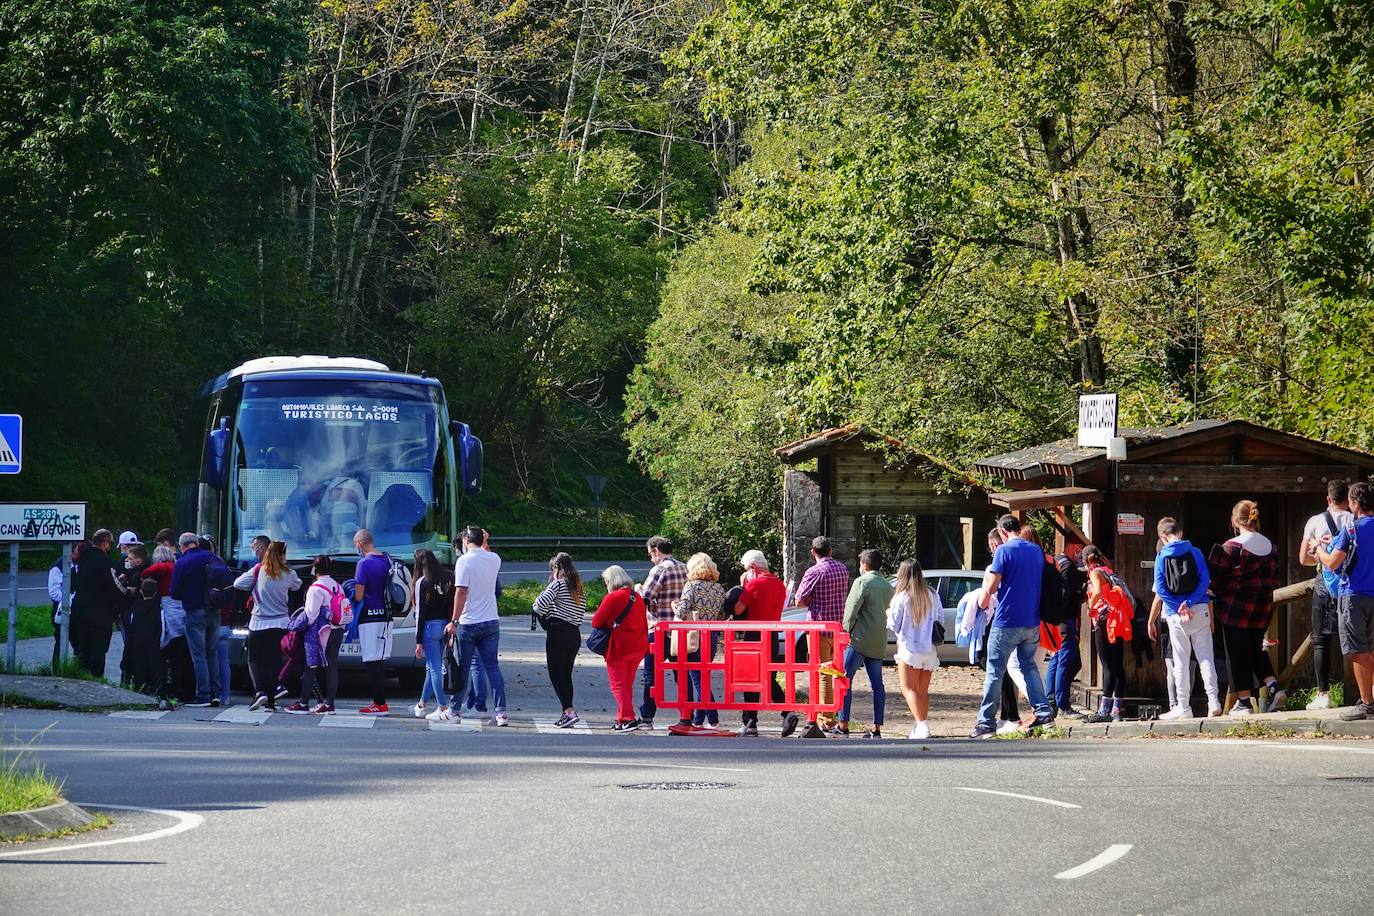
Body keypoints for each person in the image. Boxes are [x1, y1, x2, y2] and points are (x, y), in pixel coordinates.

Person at [970, 515, 1055, 738]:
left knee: (994, 671)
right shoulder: (1036, 551)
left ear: (1002, 532)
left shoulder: (1003, 551)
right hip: (1031, 620)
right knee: (1029, 667)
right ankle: (1044, 713)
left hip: (1006, 620)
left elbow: (992, 585)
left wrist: (982, 599)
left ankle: (986, 723)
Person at [1210, 500, 1283, 715]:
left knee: (1237, 655)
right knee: (1255, 649)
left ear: (1235, 521)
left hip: (1236, 609)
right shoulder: (1271, 546)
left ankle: (1243, 702)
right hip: (1263, 609)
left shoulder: (1231, 547)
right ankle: (1274, 687)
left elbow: (1215, 579)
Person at [1149, 518, 1222, 720]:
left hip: (1175, 615)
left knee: (1180, 661)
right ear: (1180, 533)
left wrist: (1178, 607)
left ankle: (1183, 706)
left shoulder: (1161, 556)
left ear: (1162, 536)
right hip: (1199, 609)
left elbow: (1161, 588)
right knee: (1206, 657)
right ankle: (1213, 701)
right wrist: (1189, 603)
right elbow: (1204, 581)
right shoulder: (1196, 552)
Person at [1317, 481, 1374, 720]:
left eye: (1350, 502)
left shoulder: (1351, 530)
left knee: (1359, 651)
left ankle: (1367, 703)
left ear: (1356, 503)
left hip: (1354, 595)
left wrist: (1318, 549)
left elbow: (1332, 563)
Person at [732, 549, 798, 738]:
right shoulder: (779, 584)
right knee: (769, 678)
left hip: (754, 636)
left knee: (750, 678)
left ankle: (750, 721)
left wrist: (742, 587)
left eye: (746, 569)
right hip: (773, 636)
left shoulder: (754, 584)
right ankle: (787, 712)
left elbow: (738, 609)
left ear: (753, 567)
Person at [1299, 479, 1353, 709]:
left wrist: (1320, 553)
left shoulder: (1315, 521)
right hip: (1352, 582)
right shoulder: (1354, 519)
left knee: (1321, 639)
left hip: (1325, 582)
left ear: (1328, 499)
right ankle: (1357, 693)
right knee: (1355, 639)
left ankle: (1323, 695)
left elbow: (1304, 559)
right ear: (1347, 500)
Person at [446, 526, 507, 725]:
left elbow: (461, 592)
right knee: (492, 668)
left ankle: (454, 710)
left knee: (463, 668)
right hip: (490, 620)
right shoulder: (494, 559)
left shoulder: (464, 561)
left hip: (468, 621)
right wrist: (485, 540)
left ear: (465, 541)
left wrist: (454, 621)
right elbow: (485, 552)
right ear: (483, 540)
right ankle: (500, 712)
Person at [791, 535, 850, 733]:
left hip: (819, 629)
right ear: (830, 551)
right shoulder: (842, 569)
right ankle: (831, 714)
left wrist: (811, 600)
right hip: (837, 628)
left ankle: (826, 718)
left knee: (822, 673)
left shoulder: (814, 572)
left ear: (813, 552)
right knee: (835, 672)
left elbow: (799, 601)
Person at [833, 549, 893, 738]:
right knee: (877, 685)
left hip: (859, 640)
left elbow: (851, 610)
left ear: (864, 565)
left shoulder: (862, 582)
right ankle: (877, 727)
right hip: (878, 640)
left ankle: (843, 723)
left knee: (844, 679)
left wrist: (845, 631)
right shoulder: (887, 586)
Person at [234, 540, 300, 711]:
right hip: (281, 622)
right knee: (274, 661)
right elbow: (297, 586)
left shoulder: (258, 570)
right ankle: (272, 698)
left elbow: (237, 583)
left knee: (255, 659)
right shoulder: (289, 573)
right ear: (283, 555)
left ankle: (259, 691)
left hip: (258, 622)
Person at [170, 532, 232, 707]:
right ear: (196, 543)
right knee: (212, 652)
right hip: (215, 610)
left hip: (195, 611)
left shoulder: (182, 563)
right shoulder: (212, 557)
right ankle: (215, 692)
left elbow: (175, 592)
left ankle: (203, 694)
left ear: (182, 546)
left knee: (199, 655)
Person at [283, 555, 348, 714]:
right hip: (338, 630)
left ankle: (303, 703)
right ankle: (329, 704)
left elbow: (311, 615)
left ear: (314, 569)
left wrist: (296, 624)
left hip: (320, 632)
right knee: (331, 667)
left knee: (310, 666)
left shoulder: (315, 588)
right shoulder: (337, 586)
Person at [670, 552, 726, 729]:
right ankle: (698, 719)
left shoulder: (691, 586)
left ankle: (713, 717)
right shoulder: (719, 588)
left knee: (697, 678)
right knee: (703, 675)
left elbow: (681, 612)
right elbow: (722, 615)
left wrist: (673, 605)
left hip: (694, 635)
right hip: (711, 635)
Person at [638, 535, 688, 727]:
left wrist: (638, 588)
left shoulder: (659, 569)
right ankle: (686, 715)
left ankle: (647, 716)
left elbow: (646, 597)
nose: (651, 558)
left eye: (650, 554)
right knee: (681, 674)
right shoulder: (685, 567)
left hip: (659, 628)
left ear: (656, 551)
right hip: (680, 630)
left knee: (651, 674)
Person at [888, 559, 941, 739]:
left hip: (909, 648)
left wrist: (887, 613)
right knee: (922, 691)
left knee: (908, 689)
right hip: (929, 648)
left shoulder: (902, 597)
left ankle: (922, 726)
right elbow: (940, 619)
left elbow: (894, 624)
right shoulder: (932, 594)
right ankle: (920, 726)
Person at [593, 566, 650, 731]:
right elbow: (644, 623)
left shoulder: (613, 597)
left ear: (611, 581)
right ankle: (621, 718)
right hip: (637, 646)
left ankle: (627, 718)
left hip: (619, 647)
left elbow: (596, 621)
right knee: (626, 685)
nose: (606, 585)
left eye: (606, 582)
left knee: (618, 685)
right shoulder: (637, 596)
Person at [532, 552, 585, 728]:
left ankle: (569, 712)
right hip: (574, 634)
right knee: (566, 675)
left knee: (556, 675)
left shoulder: (558, 584)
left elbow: (539, 605)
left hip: (558, 633)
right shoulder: (578, 587)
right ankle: (566, 712)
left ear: (556, 568)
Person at [1082, 546, 1131, 723]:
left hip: (1105, 623)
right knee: (1117, 665)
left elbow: (1096, 592)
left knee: (1107, 666)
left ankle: (1104, 711)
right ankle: (1117, 710)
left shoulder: (1095, 573)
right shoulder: (1108, 570)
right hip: (1117, 621)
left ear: (1086, 560)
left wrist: (1090, 608)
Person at [352, 528, 395, 716]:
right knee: (379, 660)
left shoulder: (363, 564)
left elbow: (359, 595)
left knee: (371, 661)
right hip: (386, 615)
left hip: (369, 616)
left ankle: (379, 704)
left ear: (360, 544)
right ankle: (380, 702)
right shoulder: (387, 559)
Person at [143, 544, 192, 708]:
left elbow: (149, 572)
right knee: (181, 654)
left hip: (170, 608)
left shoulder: (166, 567)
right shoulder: (178, 567)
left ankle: (171, 688)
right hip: (181, 608)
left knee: (171, 650)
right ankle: (182, 688)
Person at [70, 529, 122, 679]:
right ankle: (96, 680)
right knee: (98, 649)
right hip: (99, 612)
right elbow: (114, 585)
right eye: (110, 543)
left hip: (79, 609)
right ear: (105, 543)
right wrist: (127, 592)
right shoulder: (104, 560)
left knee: (82, 648)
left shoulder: (81, 559)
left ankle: (80, 677)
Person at [410, 549, 456, 720]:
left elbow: (420, 613)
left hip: (429, 627)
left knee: (435, 668)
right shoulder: (448, 576)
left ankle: (442, 706)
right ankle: (422, 703)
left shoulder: (422, 582)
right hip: (446, 625)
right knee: (431, 667)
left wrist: (418, 641)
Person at [1045, 553, 1087, 720]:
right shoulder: (1068, 566)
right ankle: (1062, 704)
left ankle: (1051, 701)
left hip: (1057, 619)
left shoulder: (1057, 561)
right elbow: (1066, 593)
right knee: (1066, 661)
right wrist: (1080, 595)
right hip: (1066, 619)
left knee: (1056, 660)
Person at [46, 543, 79, 670]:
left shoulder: (81, 564)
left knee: (79, 641)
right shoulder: (58, 566)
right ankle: (57, 669)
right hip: (61, 609)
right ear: (72, 550)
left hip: (77, 609)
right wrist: (71, 599)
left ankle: (78, 670)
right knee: (60, 640)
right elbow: (54, 592)